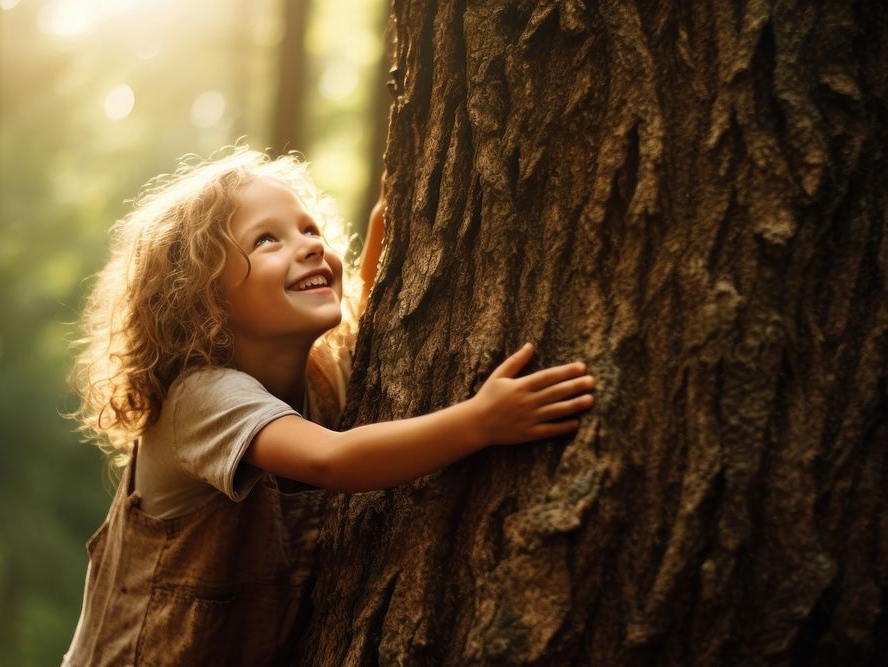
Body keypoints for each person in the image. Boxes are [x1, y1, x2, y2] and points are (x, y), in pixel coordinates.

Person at [62, 147, 597, 665]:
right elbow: (333, 461)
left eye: (310, 229)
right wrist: (481, 422)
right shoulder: (200, 399)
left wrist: (393, 221)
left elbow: (374, 321)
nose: (309, 245)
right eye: (267, 239)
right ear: (203, 295)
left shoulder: (319, 375)